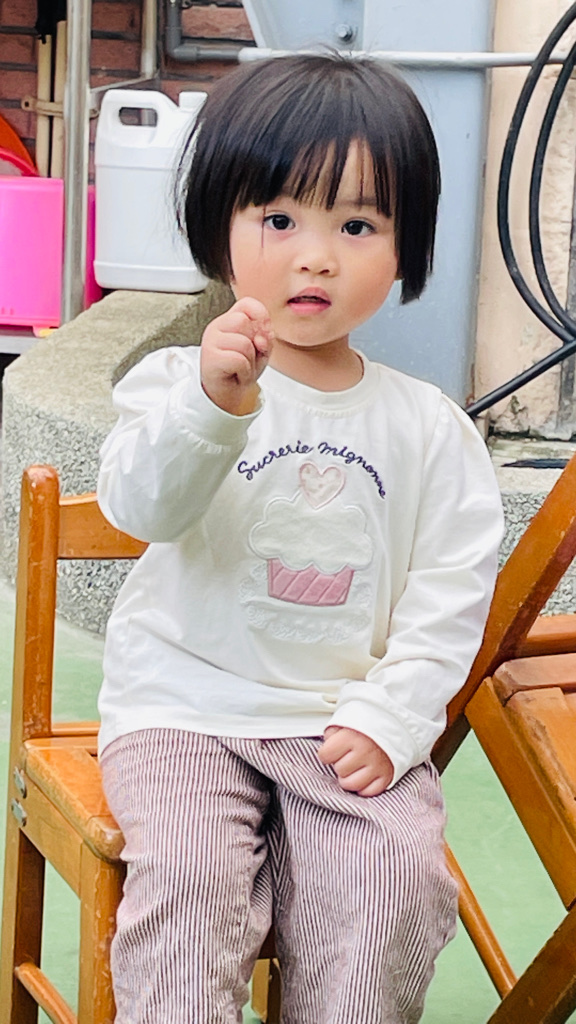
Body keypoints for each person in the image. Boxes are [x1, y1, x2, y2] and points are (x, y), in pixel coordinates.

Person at [97, 53, 504, 1024]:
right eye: (279, 219)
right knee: (191, 880)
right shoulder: (177, 384)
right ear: (220, 228)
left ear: (406, 249)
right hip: (182, 706)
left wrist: (394, 716)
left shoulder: (428, 428)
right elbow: (141, 508)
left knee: (394, 883)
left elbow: (450, 594)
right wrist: (212, 405)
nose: (316, 256)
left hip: (340, 723)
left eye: (357, 225)